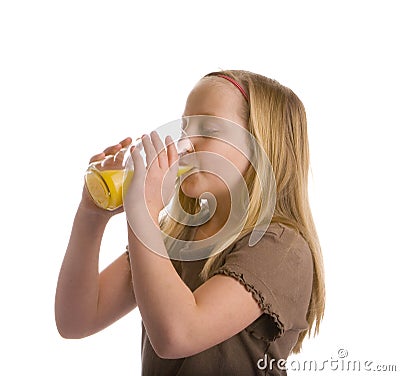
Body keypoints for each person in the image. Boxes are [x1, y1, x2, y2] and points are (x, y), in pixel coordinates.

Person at [55, 70, 325, 375]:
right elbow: (75, 320)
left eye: (208, 129)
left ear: (262, 146)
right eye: (185, 128)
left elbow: (177, 335)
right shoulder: (176, 239)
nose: (186, 144)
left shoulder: (281, 247)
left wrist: (142, 213)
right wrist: (91, 216)